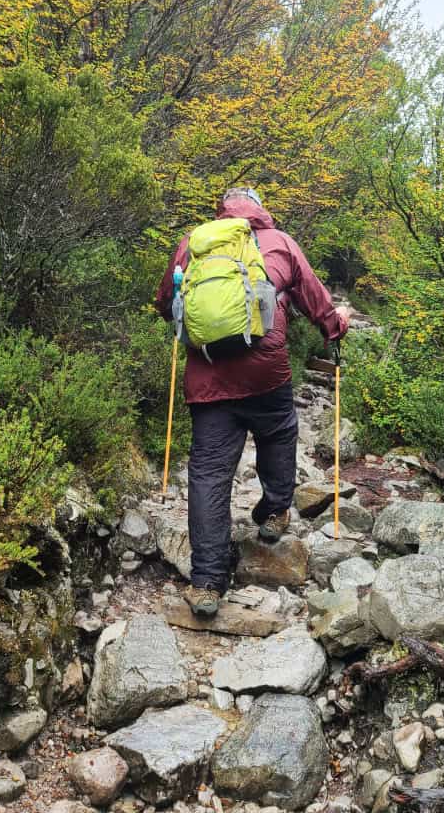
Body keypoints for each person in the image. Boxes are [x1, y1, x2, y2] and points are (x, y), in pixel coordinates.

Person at [156, 187, 350, 616]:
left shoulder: (194, 242)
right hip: (265, 370)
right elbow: (315, 299)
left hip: (207, 376)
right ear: (261, 209)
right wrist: (336, 327)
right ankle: (273, 511)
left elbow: (166, 303)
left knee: (208, 472)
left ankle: (207, 583)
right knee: (278, 429)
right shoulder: (280, 242)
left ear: (221, 210)